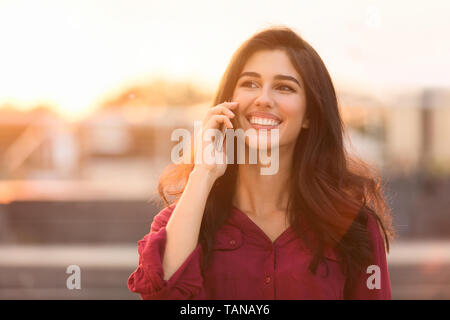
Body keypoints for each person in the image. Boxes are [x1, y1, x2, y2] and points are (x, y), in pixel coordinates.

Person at [127, 25, 395, 300]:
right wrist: (203, 173)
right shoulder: (182, 222)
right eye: (250, 84)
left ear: (309, 115)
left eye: (284, 87)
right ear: (228, 104)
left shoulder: (354, 226)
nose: (263, 99)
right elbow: (163, 295)